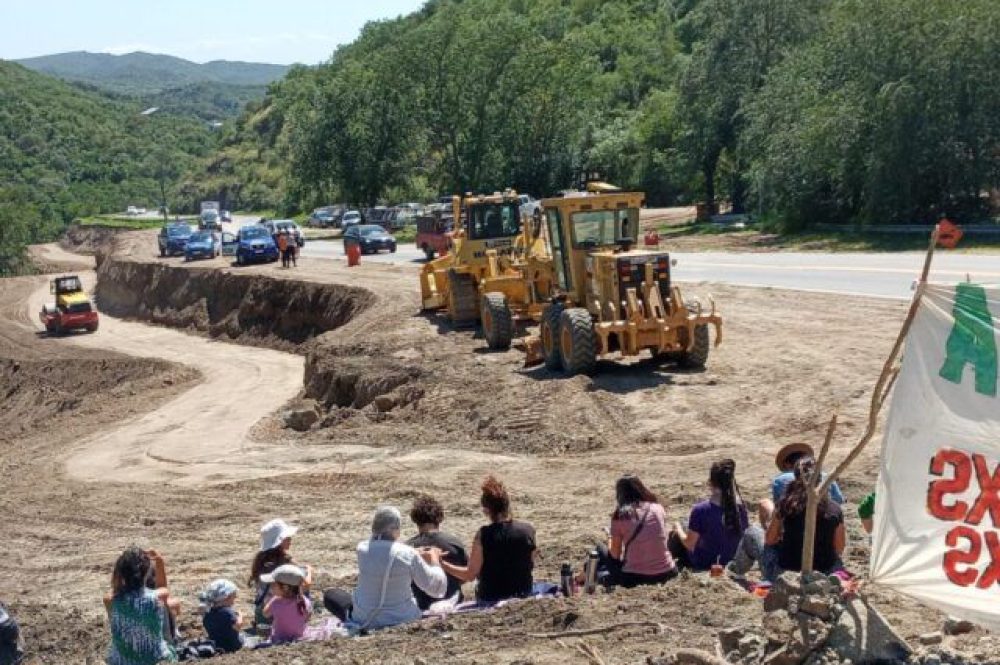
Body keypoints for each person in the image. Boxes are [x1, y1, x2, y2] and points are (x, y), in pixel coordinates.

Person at [323, 506, 447, 630]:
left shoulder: (362, 548)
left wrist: (413, 552)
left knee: (331, 594)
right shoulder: (408, 554)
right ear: (396, 528)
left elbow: (385, 551)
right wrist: (434, 559)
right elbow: (436, 588)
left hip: (365, 619)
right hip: (403, 618)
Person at [730, 458, 846, 581]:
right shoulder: (834, 509)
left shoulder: (786, 504)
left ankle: (736, 572)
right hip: (823, 572)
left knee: (752, 532)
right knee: (836, 561)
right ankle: (833, 579)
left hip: (785, 575)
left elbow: (770, 540)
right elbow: (839, 548)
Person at [439, 476, 537, 602]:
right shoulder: (528, 530)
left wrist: (442, 564)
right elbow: (530, 564)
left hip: (491, 596)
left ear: (486, 510)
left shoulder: (483, 535)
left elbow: (470, 575)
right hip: (523, 593)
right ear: (507, 505)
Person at [596, 475, 677, 588]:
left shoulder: (620, 516)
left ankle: (586, 577)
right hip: (667, 572)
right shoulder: (658, 508)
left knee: (599, 549)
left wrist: (609, 537)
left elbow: (615, 555)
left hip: (635, 578)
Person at [669, 459, 749, 570]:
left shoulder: (701, 510)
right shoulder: (740, 507)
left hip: (705, 563)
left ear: (710, 483)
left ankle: (674, 565)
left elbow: (689, 544)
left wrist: (678, 530)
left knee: (681, 526)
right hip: (731, 561)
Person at [103, 546, 177, 664]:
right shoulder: (158, 596)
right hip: (155, 660)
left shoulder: (110, 600)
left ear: (120, 573)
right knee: (165, 611)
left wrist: (121, 565)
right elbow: (162, 587)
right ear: (147, 572)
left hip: (122, 662)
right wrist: (159, 561)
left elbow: (115, 587)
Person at [405, 495, 468, 610]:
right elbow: (466, 576)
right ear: (440, 517)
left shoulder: (407, 548)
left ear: (415, 519)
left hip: (421, 605)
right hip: (452, 601)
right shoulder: (453, 543)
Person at [249, 519, 312, 632]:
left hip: (262, 613)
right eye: (287, 538)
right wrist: (310, 571)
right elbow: (306, 584)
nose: (290, 540)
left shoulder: (260, 560)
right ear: (279, 541)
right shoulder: (285, 561)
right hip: (279, 613)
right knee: (300, 581)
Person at [760, 443, 844, 525]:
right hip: (826, 521)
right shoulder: (825, 476)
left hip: (793, 525)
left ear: (787, 464)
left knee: (764, 503)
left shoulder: (780, 480)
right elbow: (839, 500)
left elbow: (778, 509)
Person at [260, 565, 312, 644]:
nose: (271, 587)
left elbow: (265, 614)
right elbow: (308, 616)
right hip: (299, 637)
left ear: (285, 587)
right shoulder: (304, 600)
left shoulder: (276, 602)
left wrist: (273, 598)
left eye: (274, 584)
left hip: (279, 639)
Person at [199, 579, 247, 653]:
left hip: (216, 645)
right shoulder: (227, 612)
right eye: (234, 597)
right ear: (227, 597)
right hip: (232, 646)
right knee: (245, 636)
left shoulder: (208, 613)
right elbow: (237, 626)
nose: (234, 600)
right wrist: (241, 616)